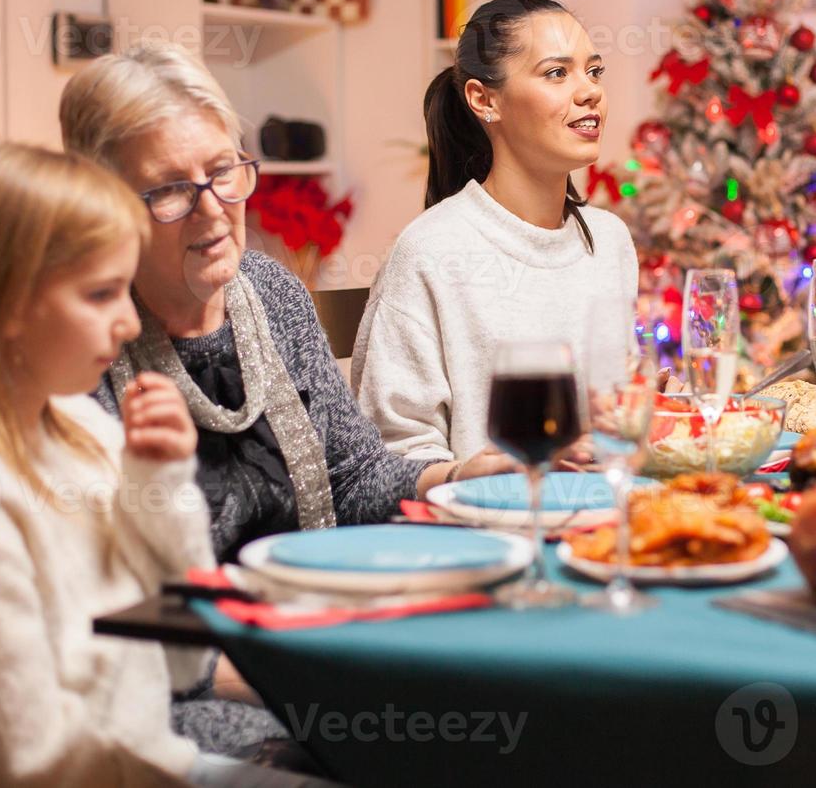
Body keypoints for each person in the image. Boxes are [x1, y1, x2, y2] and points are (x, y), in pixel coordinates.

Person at [58, 43, 511, 756]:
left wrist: (458, 479)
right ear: (102, 204)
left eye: (223, 172)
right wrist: (307, 679)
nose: (212, 210)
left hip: (310, 648)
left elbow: (356, 477)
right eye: (172, 189)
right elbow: (95, 617)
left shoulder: (271, 295)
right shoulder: (82, 347)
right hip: (170, 691)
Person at [0, 142, 322, 787]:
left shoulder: (77, 426)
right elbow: (23, 759)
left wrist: (162, 480)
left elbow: (185, 657)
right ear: (3, 305)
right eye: (101, 294)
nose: (128, 323)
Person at [349, 0, 639, 467]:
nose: (590, 92)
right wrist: (487, 474)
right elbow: (387, 462)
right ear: (485, 100)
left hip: (595, 519)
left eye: (595, 71)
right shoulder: (430, 252)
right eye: (556, 73)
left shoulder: (609, 242)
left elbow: (605, 423)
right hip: (480, 528)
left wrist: (640, 412)